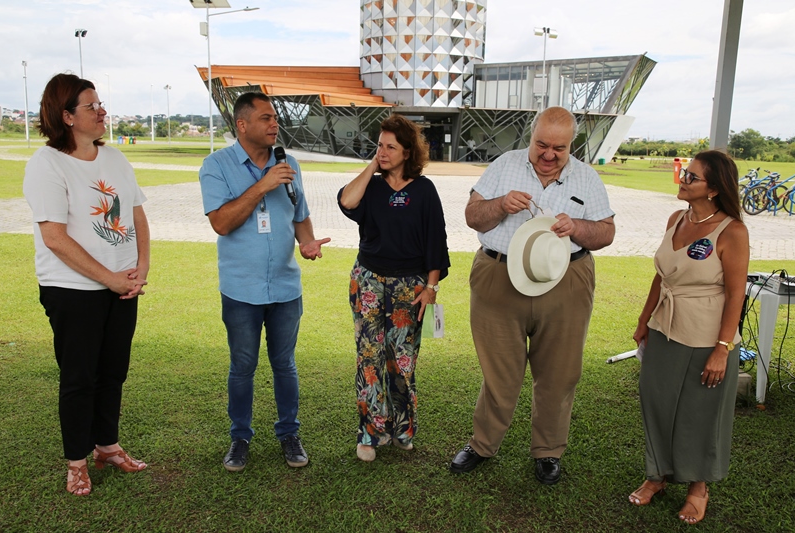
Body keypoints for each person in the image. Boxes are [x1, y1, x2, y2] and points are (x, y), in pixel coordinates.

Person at [450, 106, 615, 484]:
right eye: (542, 144)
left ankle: (548, 451)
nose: (549, 154)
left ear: (571, 145)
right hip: (498, 276)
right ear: (532, 137)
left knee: (559, 373)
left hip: (566, 281)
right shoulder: (505, 164)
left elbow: (606, 233)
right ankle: (482, 444)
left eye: (559, 148)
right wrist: (499, 205)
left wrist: (577, 227)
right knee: (499, 371)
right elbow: (473, 216)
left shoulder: (587, 178)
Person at [23, 73, 150, 496]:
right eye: (91, 106)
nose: (102, 112)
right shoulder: (47, 164)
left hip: (122, 286)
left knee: (113, 371)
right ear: (66, 117)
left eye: (100, 104)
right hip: (72, 291)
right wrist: (110, 278)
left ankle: (107, 447)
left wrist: (140, 269)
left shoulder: (114, 158)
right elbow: (55, 237)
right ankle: (77, 462)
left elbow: (137, 216)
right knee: (79, 377)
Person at [199, 92, 330, 472]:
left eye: (275, 118)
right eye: (265, 118)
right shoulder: (216, 166)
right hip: (242, 289)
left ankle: (289, 433)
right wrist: (262, 185)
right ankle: (240, 438)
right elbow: (221, 223)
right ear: (242, 125)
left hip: (286, 287)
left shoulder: (287, 164)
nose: (275, 124)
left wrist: (306, 241)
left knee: (284, 364)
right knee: (242, 366)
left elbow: (299, 212)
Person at [629, 150, 748, 524]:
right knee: (657, 402)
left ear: (713, 189)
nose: (684, 180)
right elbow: (662, 276)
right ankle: (658, 475)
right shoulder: (675, 219)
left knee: (700, 413)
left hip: (706, 336)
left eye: (692, 177)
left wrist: (723, 349)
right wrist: (645, 319)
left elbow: (736, 294)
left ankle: (698, 487)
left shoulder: (732, 231)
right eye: (685, 174)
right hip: (665, 327)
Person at [338, 114, 450, 462]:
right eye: (379, 146)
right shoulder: (370, 185)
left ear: (407, 152)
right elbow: (347, 202)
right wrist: (373, 165)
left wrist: (431, 288)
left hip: (410, 287)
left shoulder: (424, 190)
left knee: (401, 361)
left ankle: (401, 428)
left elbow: (436, 242)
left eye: (390, 147)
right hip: (369, 281)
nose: (383, 152)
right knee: (369, 358)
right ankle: (370, 434)